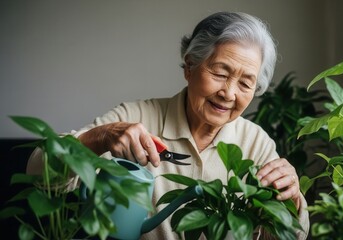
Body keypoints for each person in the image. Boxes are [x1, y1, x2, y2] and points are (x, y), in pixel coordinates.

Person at [27, 11, 309, 239]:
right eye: (220, 73)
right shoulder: (135, 117)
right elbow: (38, 172)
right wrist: (99, 138)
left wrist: (291, 199)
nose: (229, 93)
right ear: (189, 67)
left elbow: (291, 235)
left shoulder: (257, 144)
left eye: (246, 83)